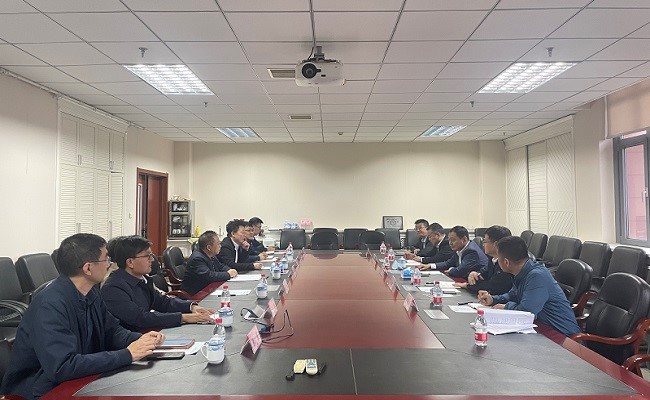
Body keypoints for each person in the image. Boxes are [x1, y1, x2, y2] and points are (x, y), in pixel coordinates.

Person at [1, 233, 165, 400]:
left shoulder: (90, 292)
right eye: (106, 259)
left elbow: (112, 331)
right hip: (41, 390)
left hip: (79, 379)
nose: (109, 264)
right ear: (88, 268)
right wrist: (127, 354)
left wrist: (141, 340)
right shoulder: (50, 305)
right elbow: (63, 366)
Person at [101, 235, 215, 331]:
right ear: (130, 262)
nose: (152, 260)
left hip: (147, 334)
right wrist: (183, 317)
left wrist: (191, 307)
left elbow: (163, 302)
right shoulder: (113, 287)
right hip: (132, 342)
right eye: (147, 256)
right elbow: (141, 318)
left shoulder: (142, 279)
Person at [477, 236, 581, 336]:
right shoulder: (522, 272)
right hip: (541, 329)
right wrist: (493, 299)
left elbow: (526, 313)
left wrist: (506, 307)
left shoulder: (537, 276)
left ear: (506, 262)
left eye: (498, 258)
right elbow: (512, 295)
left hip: (562, 336)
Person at [455, 225, 514, 295]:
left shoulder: (506, 263)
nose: (483, 245)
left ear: (496, 244)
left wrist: (467, 286)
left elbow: (492, 286)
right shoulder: (492, 258)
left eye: (485, 242)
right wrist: (475, 273)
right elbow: (485, 272)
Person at [183, 230, 238, 295]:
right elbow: (209, 276)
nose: (220, 246)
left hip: (208, 289)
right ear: (209, 247)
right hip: (197, 294)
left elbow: (220, 266)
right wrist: (228, 274)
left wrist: (229, 270)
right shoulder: (197, 258)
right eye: (218, 244)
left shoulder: (210, 255)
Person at [421, 225, 488, 279]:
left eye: (453, 240)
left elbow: (460, 271)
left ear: (464, 239)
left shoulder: (471, 251)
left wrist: (451, 270)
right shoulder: (459, 249)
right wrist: (430, 265)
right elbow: (448, 263)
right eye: (449, 240)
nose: (450, 243)